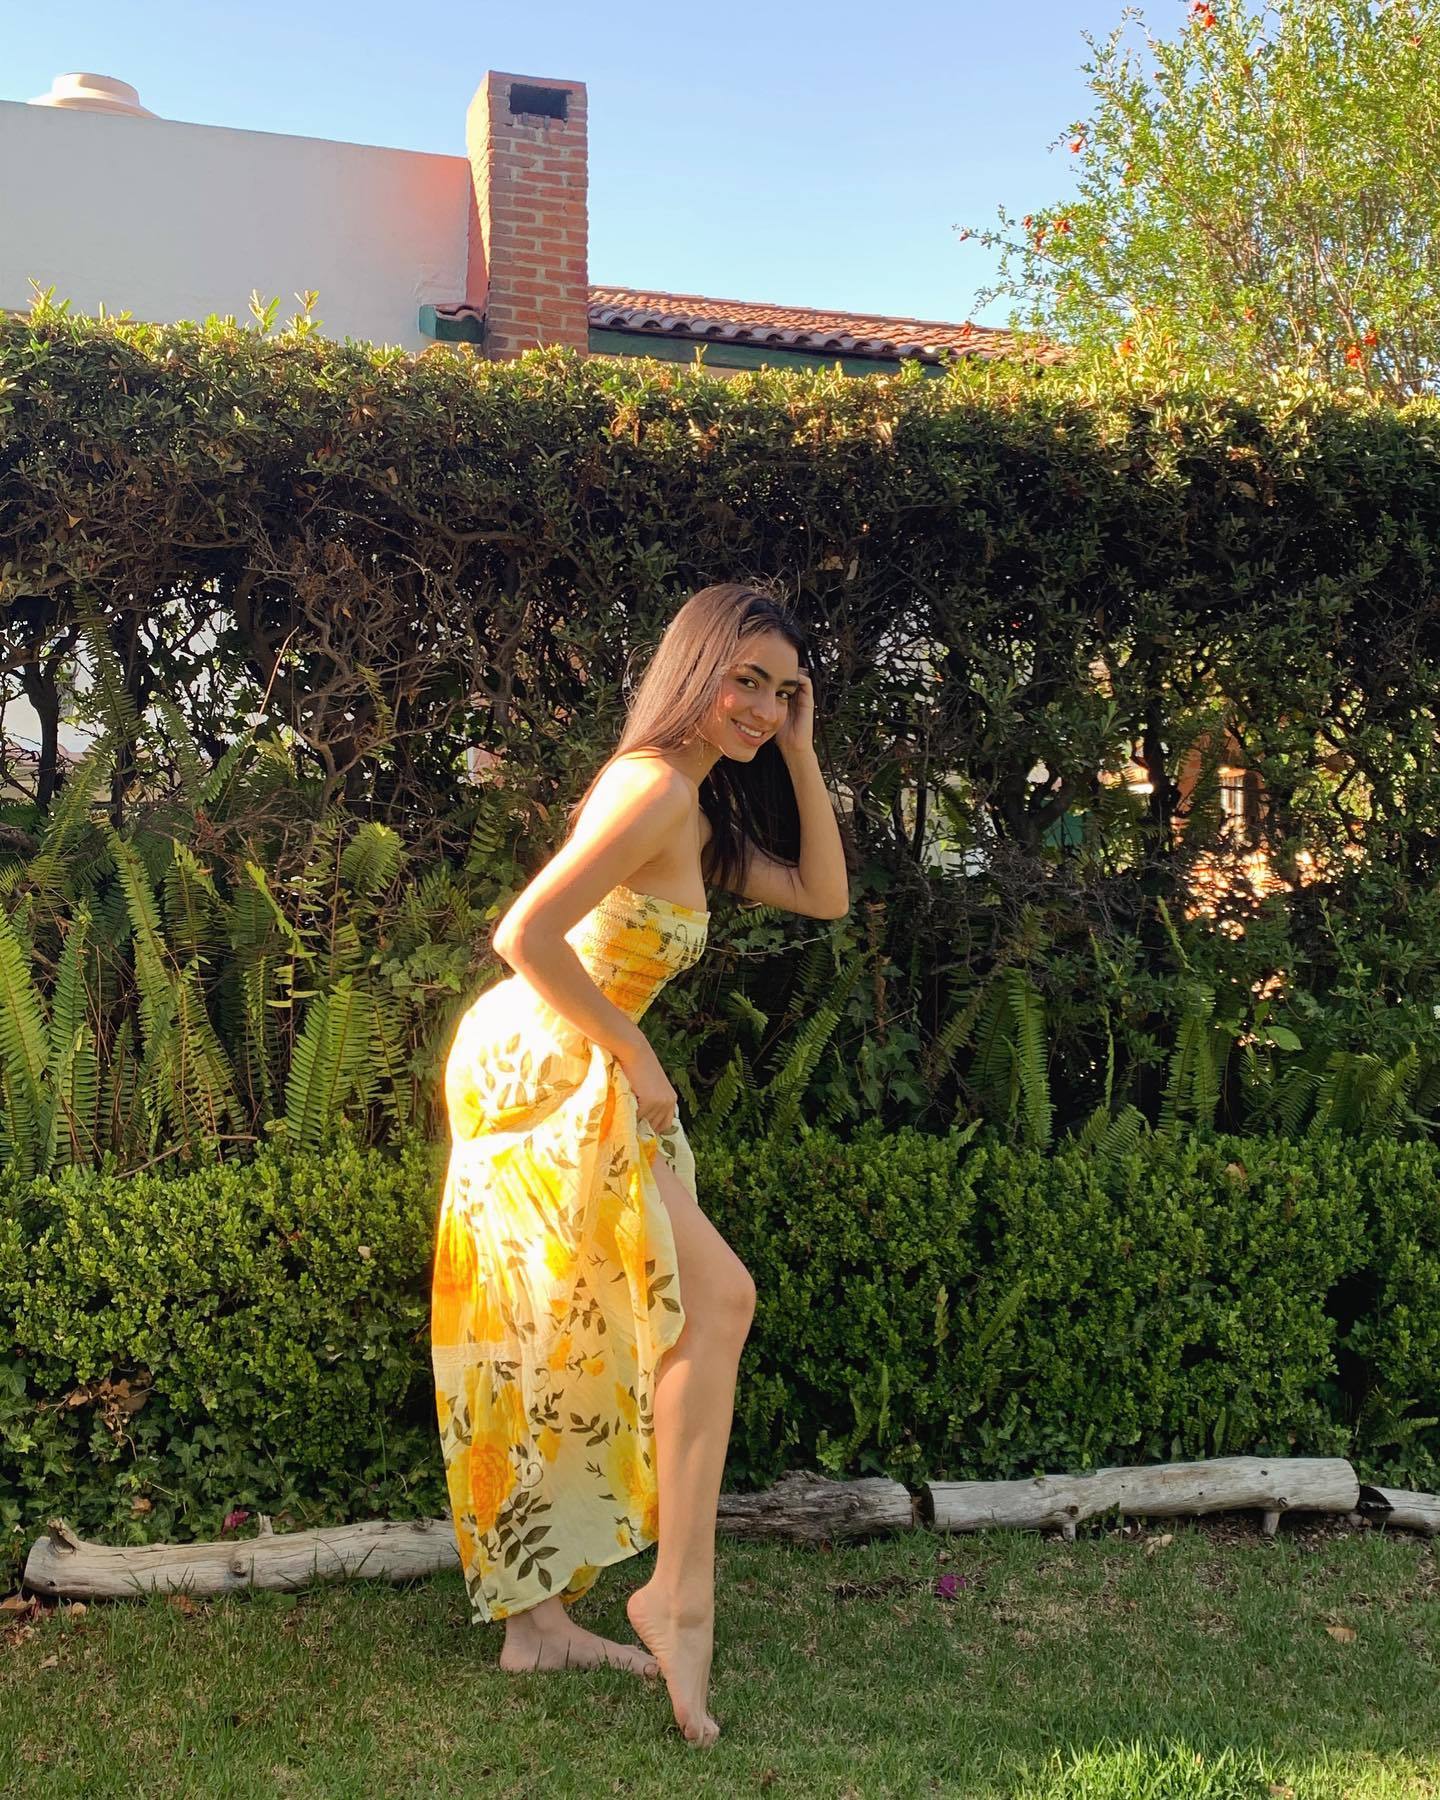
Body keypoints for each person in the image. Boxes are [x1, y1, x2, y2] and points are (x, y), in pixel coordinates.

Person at [431, 582, 850, 1746]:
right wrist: (633, 1049)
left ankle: (538, 1625)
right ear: (695, 669)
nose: (761, 706)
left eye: (783, 689)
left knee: (562, 1334)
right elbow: (524, 933)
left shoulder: (696, 810)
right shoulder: (655, 785)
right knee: (714, 1300)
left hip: (581, 1064)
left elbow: (824, 896)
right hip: (547, 1066)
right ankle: (678, 1598)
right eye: (746, 680)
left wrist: (802, 752)